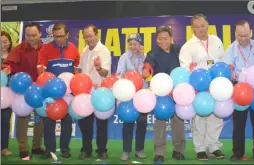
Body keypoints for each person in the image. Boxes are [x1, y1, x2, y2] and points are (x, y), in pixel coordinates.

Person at [223, 20, 254, 162]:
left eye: (245, 35)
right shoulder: (231, 49)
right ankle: (238, 152)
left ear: (250, 32)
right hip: (240, 90)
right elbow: (228, 67)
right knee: (239, 124)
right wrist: (230, 71)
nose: (243, 38)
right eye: (240, 36)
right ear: (235, 34)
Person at [179, 14, 225, 161]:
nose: (201, 29)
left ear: (208, 25)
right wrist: (191, 70)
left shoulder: (216, 41)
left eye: (203, 26)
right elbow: (184, 68)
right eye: (197, 27)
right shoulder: (187, 46)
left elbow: (221, 61)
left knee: (216, 118)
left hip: (215, 86)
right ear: (192, 28)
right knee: (199, 118)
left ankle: (214, 146)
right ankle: (200, 149)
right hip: (198, 88)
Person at [2, 23, 46, 159]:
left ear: (40, 34)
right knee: (23, 119)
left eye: (34, 35)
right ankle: (23, 149)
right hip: (23, 91)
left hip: (41, 89)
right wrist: (5, 71)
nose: (31, 38)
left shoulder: (46, 49)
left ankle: (37, 146)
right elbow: (8, 64)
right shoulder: (18, 49)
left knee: (42, 119)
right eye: (28, 35)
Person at [142, 26, 185, 163]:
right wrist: (146, 70)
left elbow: (186, 63)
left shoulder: (178, 50)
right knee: (160, 122)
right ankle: (159, 152)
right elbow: (148, 64)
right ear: (157, 39)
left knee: (178, 121)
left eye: (166, 38)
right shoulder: (153, 52)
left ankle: (178, 150)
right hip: (160, 93)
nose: (163, 41)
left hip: (177, 91)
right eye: (160, 39)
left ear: (171, 38)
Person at [37, 22, 80, 159]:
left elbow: (77, 70)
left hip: (67, 94)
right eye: (55, 36)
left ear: (67, 35)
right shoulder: (45, 49)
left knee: (67, 122)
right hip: (51, 92)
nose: (58, 39)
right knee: (49, 122)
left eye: (61, 36)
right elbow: (40, 70)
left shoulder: (73, 49)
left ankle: (65, 148)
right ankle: (49, 149)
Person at [78, 24, 111, 160]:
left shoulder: (103, 50)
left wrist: (98, 68)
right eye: (85, 37)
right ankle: (86, 149)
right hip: (85, 92)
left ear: (97, 35)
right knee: (86, 123)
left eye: (90, 36)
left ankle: (102, 149)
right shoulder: (84, 50)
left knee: (101, 123)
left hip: (100, 91)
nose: (88, 39)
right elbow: (80, 70)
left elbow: (106, 73)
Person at [117, 33, 147, 161]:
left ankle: (139, 149)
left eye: (135, 43)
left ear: (140, 44)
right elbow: (119, 74)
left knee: (142, 122)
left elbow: (150, 73)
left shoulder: (145, 57)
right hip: (128, 95)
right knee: (128, 123)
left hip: (142, 95)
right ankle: (126, 151)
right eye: (130, 44)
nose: (133, 46)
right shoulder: (124, 57)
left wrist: (144, 56)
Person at [1, 30, 13, 157]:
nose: (3, 45)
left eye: (5, 42)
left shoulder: (13, 57)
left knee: (5, 121)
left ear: (9, 43)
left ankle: (4, 148)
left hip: (8, 96)